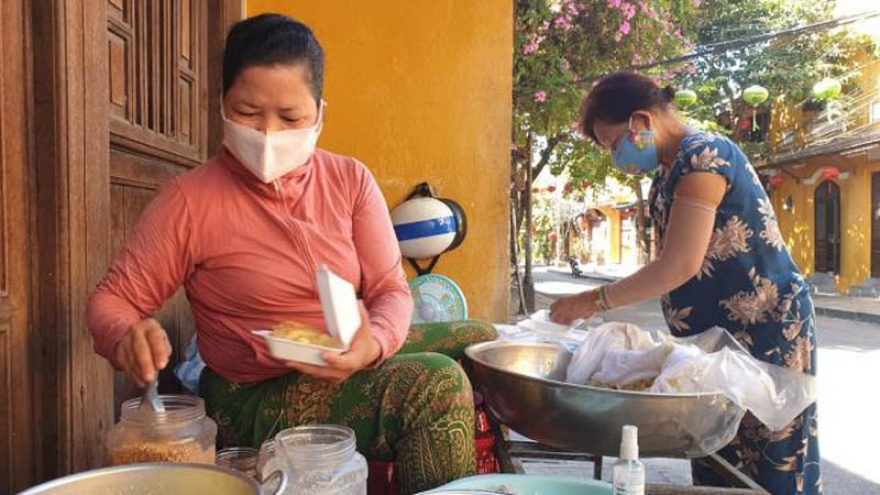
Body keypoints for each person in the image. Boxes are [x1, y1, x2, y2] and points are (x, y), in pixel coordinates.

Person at [87, 14, 495, 494]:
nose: (267, 133)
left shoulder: (349, 181)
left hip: (341, 352)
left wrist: (374, 343)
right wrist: (125, 334)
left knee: (482, 341)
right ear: (220, 105)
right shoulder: (189, 202)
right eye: (248, 111)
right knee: (436, 385)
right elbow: (111, 301)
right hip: (249, 393)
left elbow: (389, 290)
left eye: (290, 117)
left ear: (320, 113)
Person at [551, 71, 820, 495]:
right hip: (716, 340)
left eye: (613, 143)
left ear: (641, 121)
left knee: (767, 462)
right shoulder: (667, 174)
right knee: (714, 452)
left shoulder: (704, 156)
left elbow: (678, 264)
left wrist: (592, 301)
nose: (616, 157)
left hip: (764, 331)